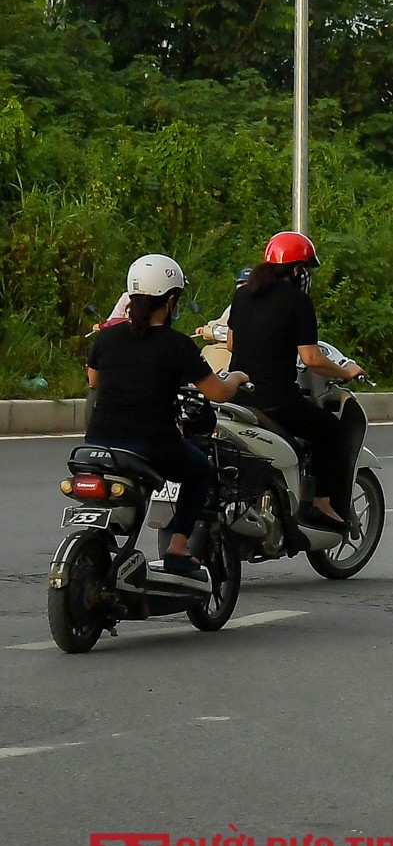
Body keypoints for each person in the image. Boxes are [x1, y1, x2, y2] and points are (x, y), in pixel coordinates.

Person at [85, 254, 250, 594]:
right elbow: (217, 393)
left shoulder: (107, 338)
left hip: (97, 444)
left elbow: (93, 380)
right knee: (200, 470)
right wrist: (235, 376)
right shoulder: (177, 346)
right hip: (150, 444)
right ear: (172, 302)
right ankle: (177, 547)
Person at [228, 232, 366, 532]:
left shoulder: (242, 296)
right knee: (331, 432)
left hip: (237, 398)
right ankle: (322, 503)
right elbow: (313, 359)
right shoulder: (297, 301)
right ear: (296, 270)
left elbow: (230, 344)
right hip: (276, 401)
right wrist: (346, 371)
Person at [195, 268, 252, 340]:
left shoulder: (256, 307)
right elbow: (223, 322)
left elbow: (233, 331)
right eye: (240, 283)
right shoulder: (235, 305)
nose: (242, 287)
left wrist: (209, 330)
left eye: (247, 284)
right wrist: (207, 327)